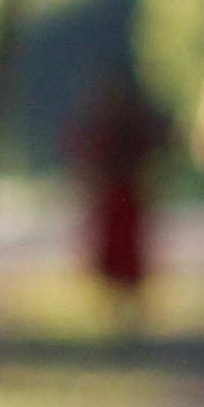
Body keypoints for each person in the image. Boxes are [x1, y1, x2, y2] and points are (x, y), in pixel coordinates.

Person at [67, 62, 170, 330]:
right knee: (114, 252)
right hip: (112, 195)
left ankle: (131, 311)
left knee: (128, 252)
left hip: (126, 194)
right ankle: (115, 310)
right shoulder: (106, 122)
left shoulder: (128, 122)